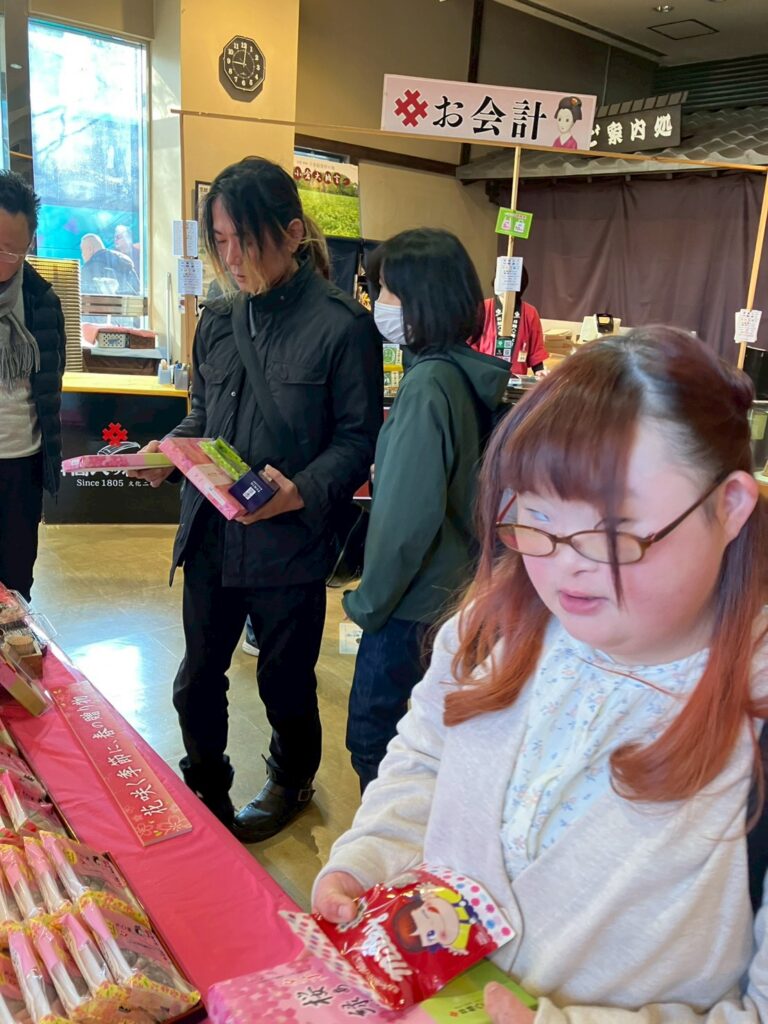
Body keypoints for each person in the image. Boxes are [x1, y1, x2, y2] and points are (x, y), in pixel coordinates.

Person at [314, 325, 768, 1023]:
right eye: (537, 518)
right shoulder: (494, 626)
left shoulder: (752, 719)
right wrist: (368, 858)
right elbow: (427, 758)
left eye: (614, 532)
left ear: (728, 507)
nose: (564, 566)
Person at [128, 157, 382, 841]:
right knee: (196, 678)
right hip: (212, 532)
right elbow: (202, 414)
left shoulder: (343, 326)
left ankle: (291, 778)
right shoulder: (216, 317)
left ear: (293, 233)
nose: (232, 258)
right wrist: (167, 453)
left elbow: (357, 439)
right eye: (221, 241)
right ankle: (206, 788)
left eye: (246, 240)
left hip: (287, 543)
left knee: (284, 680)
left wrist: (301, 490)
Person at [344, 228, 509, 793]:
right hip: (458, 593)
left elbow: (404, 524)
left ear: (424, 299)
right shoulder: (465, 376)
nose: (379, 304)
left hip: (410, 604)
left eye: (389, 291)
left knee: (376, 745)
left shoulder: (426, 385)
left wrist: (368, 602)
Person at [0, 171, 66, 601]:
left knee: (15, 585)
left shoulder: (42, 302)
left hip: (20, 468)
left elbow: (50, 386)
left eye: (11, 251)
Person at [473, 267, 548, 376]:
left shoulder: (530, 312)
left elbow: (535, 349)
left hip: (516, 377)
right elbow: (471, 343)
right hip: (485, 375)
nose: (499, 281)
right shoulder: (483, 308)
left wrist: (539, 370)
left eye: (505, 278)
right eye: (498, 276)